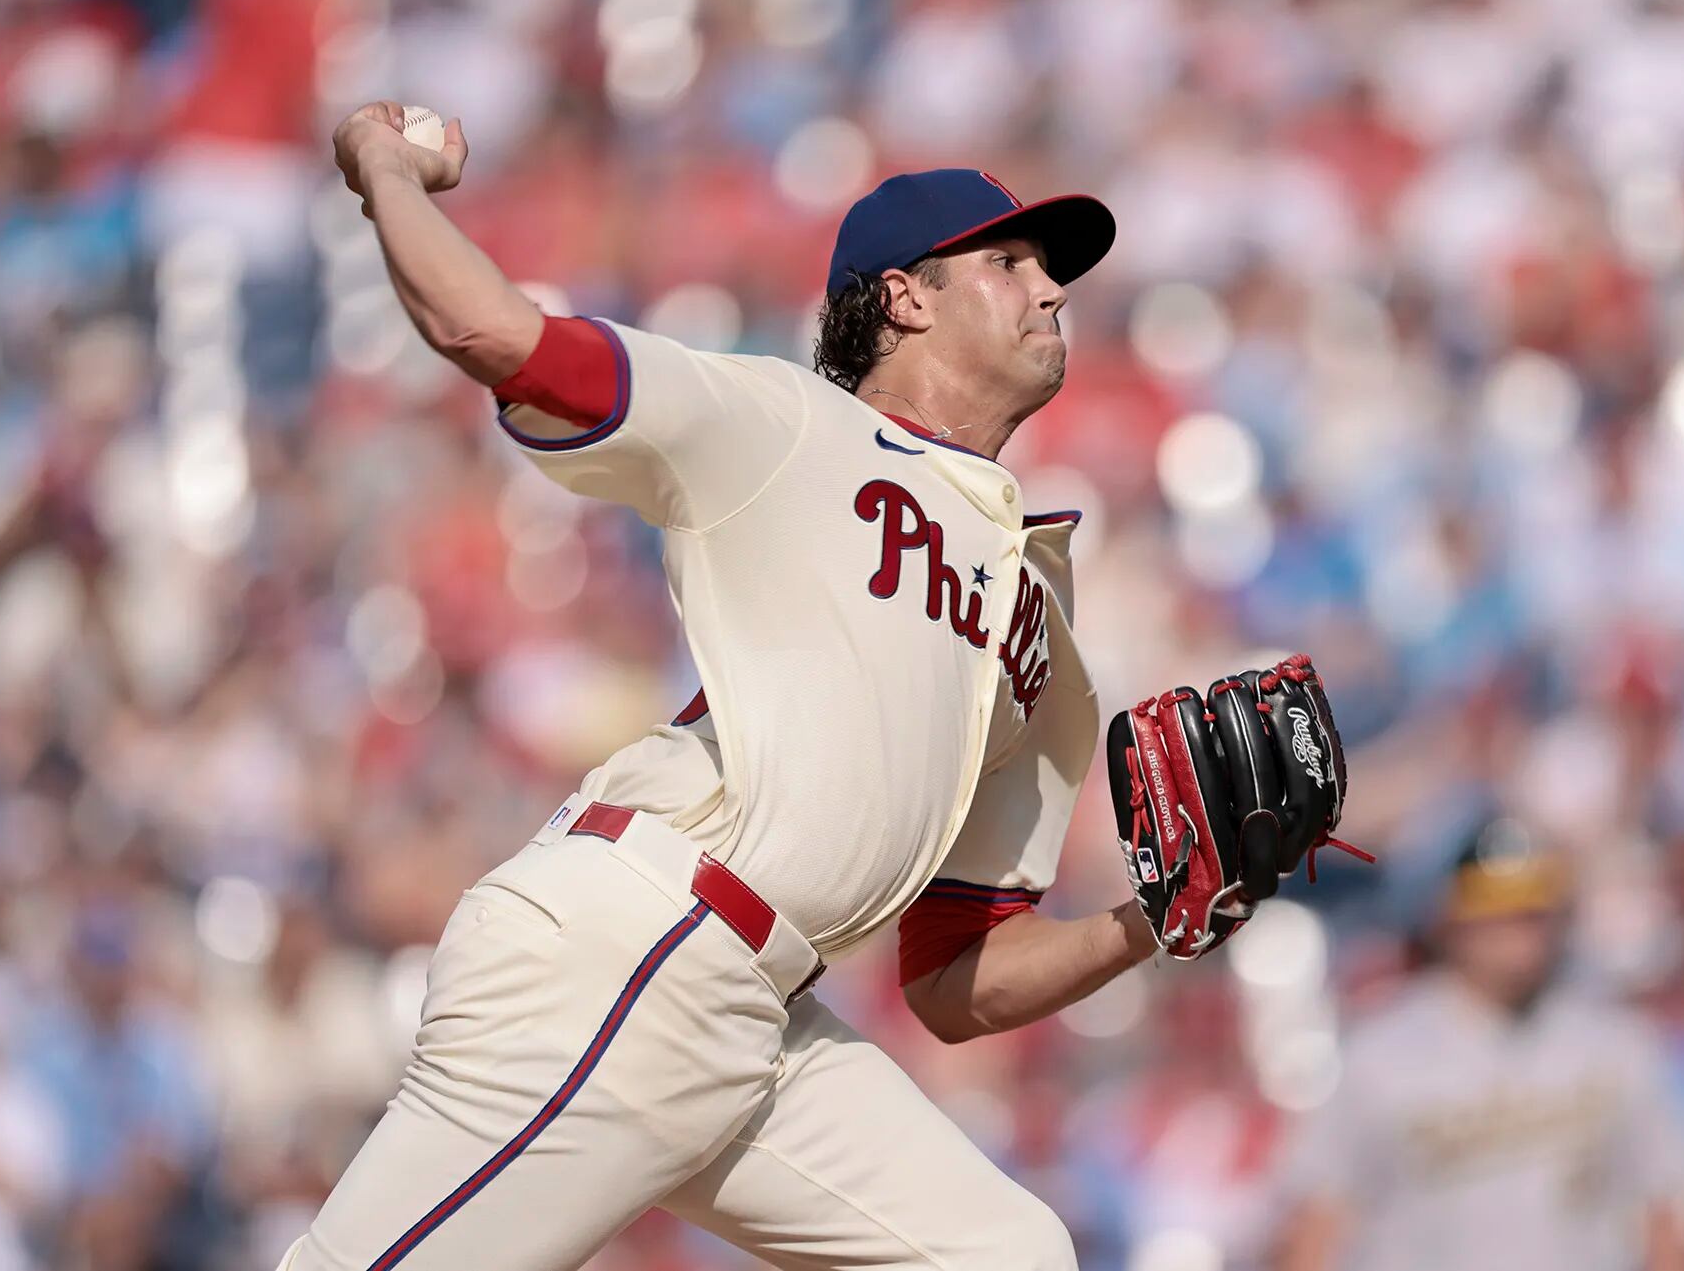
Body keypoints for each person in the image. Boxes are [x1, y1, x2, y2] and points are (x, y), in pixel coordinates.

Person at [280, 103, 1156, 1270]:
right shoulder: (791, 426)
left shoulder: (1037, 607)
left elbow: (955, 975)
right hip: (638, 942)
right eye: (1008, 262)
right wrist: (385, 168)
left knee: (1004, 1254)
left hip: (758, 1016)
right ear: (904, 296)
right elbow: (493, 332)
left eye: (1053, 272)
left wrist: (1151, 919)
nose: (1052, 291)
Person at [1274, 818, 1684, 1271]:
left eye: (1531, 912)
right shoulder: (1380, 1053)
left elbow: (1666, 1213)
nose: (1519, 933)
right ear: (1450, 921)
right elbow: (1319, 1222)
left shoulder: (1616, 1043)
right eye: (1497, 913)